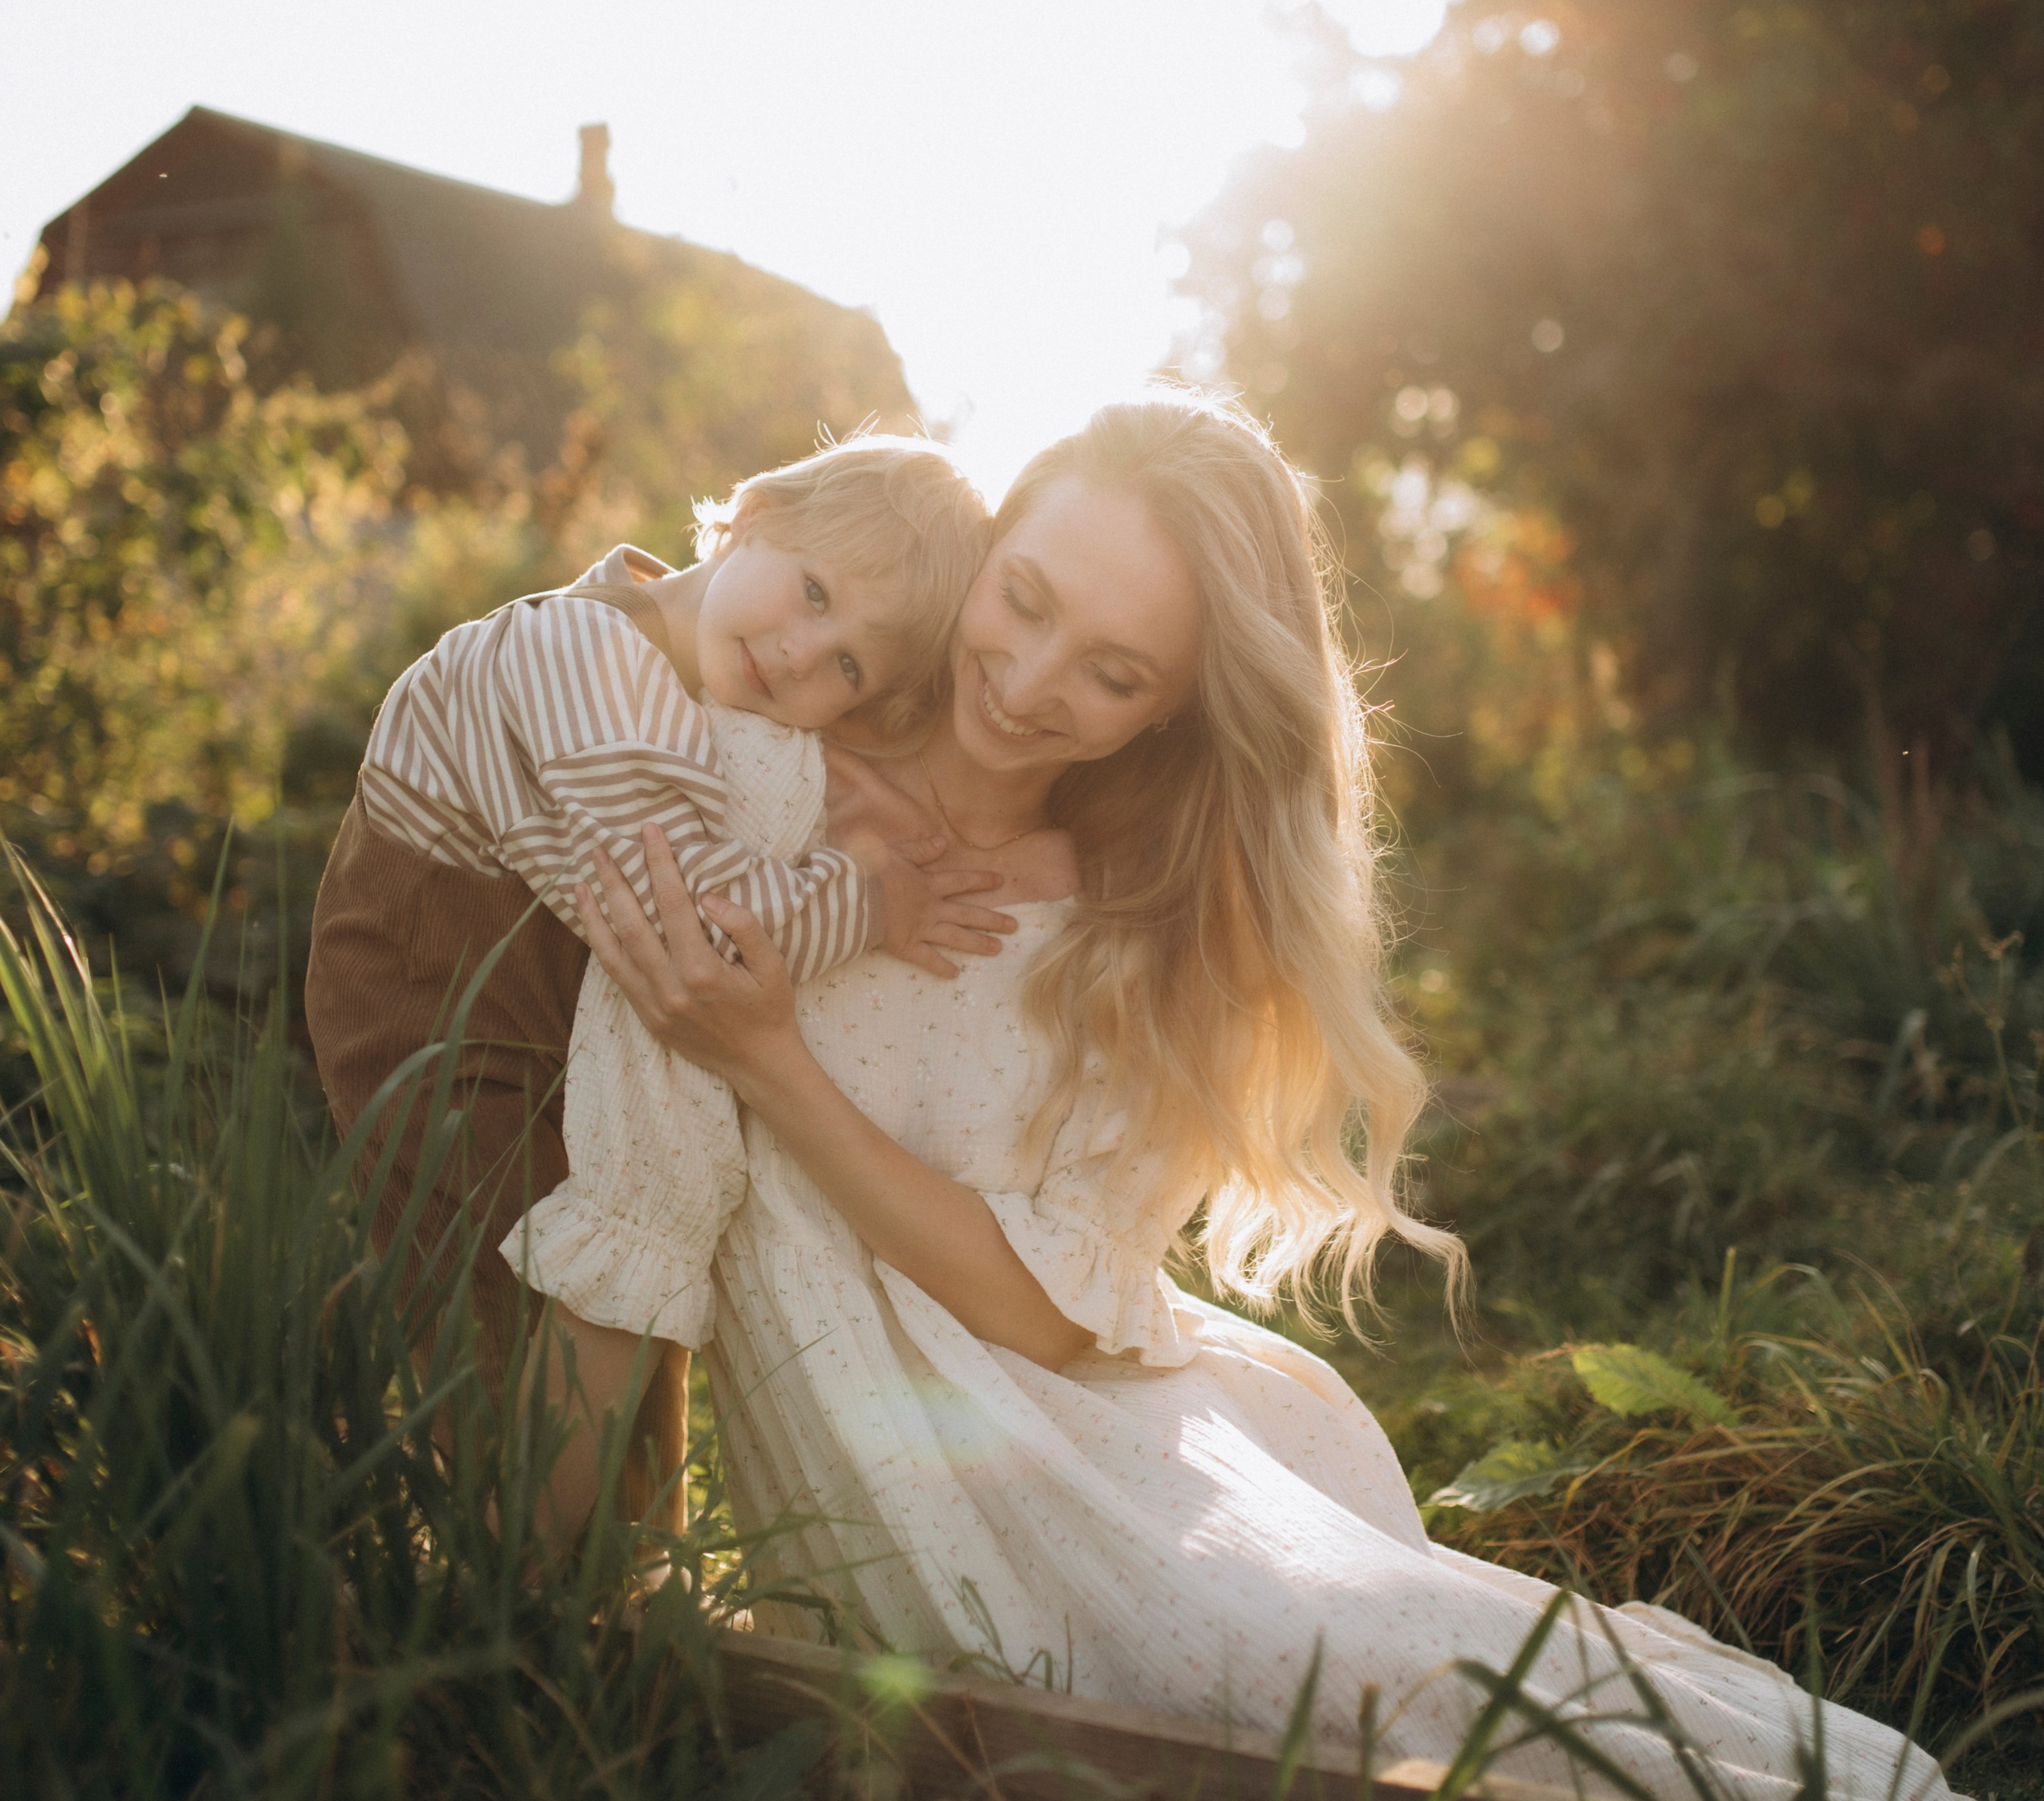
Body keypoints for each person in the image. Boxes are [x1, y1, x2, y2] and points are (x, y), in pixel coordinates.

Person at [577, 394, 1953, 1797]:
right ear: (985, 545)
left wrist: (768, 1063)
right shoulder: (767, 731)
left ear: (1179, 704)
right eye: (1024, 598)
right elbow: (544, 671)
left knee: (1399, 1694)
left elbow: (1047, 1317)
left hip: (1081, 1442)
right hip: (868, 1457)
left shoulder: (1160, 929)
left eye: (1112, 674)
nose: (1030, 681)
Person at [305, 430, 1004, 1506]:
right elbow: (698, 931)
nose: (801, 655)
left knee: (617, 1309)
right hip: (442, 1033)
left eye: (850, 668)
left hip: (543, 1024)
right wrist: (866, 899)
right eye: (813, 593)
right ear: (757, 513)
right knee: (497, 1338)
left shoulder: (677, 682)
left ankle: (632, 1594)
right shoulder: (578, 658)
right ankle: (507, 1614)